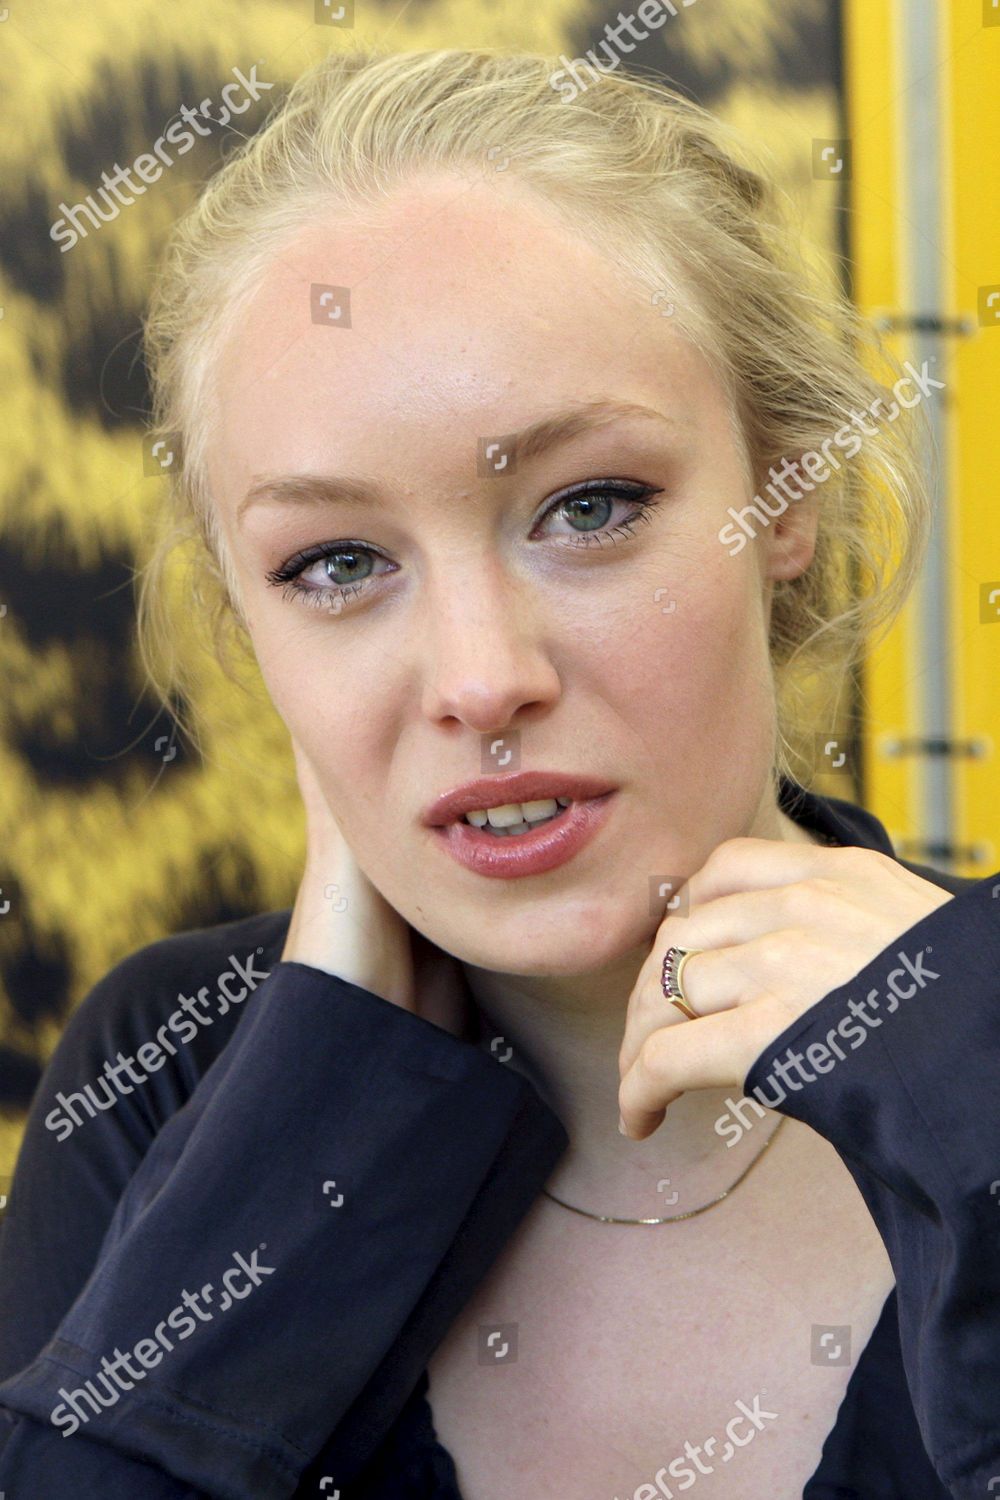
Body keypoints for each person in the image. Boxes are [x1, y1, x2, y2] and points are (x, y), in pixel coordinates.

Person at [0, 46, 996, 1499]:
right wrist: (306, 1120)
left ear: (793, 497)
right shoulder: (170, 1085)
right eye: (335, 564)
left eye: (590, 506)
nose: (480, 678)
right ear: (249, 617)